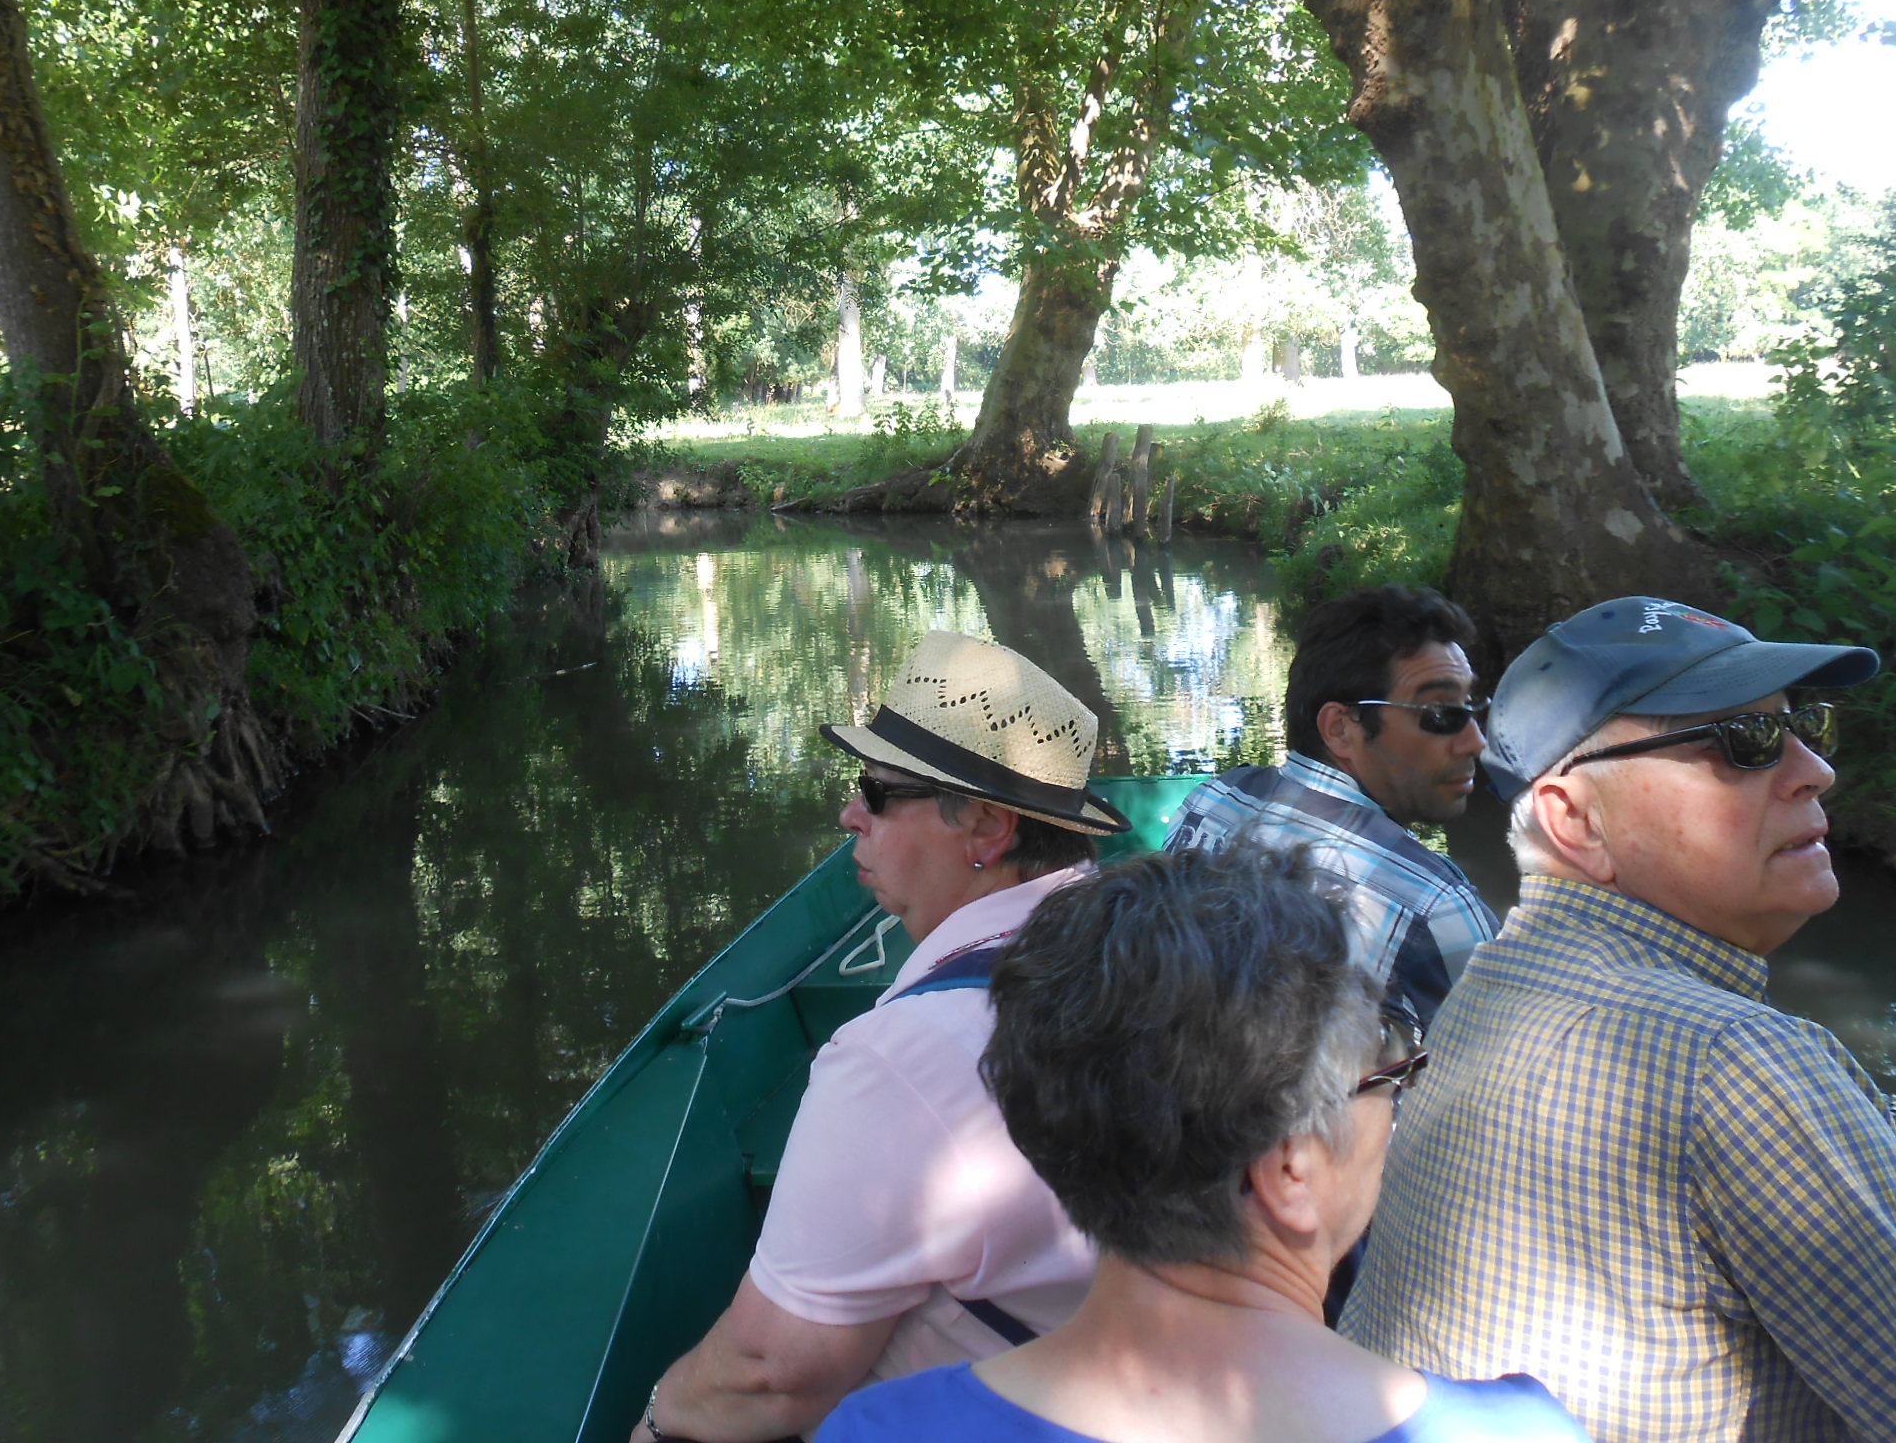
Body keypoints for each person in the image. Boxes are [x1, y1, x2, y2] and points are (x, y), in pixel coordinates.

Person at [1342, 595, 1896, 1442]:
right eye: (1745, 742)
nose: (1816, 768)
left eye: (1805, 725)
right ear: (1573, 821)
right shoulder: (1740, 1065)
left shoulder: (1488, 983)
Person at [816, 843, 1593, 1443]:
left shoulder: (877, 1430)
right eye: (1389, 1069)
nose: (1396, 1098)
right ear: (1290, 1164)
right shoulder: (1518, 1433)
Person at [638, 630, 1132, 1443]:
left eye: (876, 789)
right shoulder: (1148, 956)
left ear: (984, 827)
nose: (849, 814)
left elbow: (767, 1377)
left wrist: (655, 1420)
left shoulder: (904, 1054)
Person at [1162, 585, 1496, 1031]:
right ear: (1341, 728)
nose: (1476, 740)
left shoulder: (1214, 800)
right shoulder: (1436, 906)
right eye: (1440, 713)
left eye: (1472, 708)